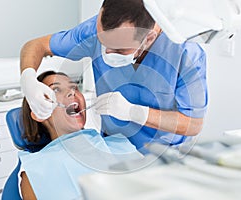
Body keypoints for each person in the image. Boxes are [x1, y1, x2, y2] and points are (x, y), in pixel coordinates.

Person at [20, 0, 208, 153]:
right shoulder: (94, 30)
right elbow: (36, 46)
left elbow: (193, 124)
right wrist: (28, 79)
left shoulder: (185, 53)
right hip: (113, 149)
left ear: (148, 38)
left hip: (166, 155)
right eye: (103, 43)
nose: (106, 53)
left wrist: (136, 113)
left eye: (118, 49)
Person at [19, 71, 143, 200]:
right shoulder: (35, 171)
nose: (72, 92)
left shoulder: (120, 144)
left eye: (74, 88)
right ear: (39, 112)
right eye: (55, 89)